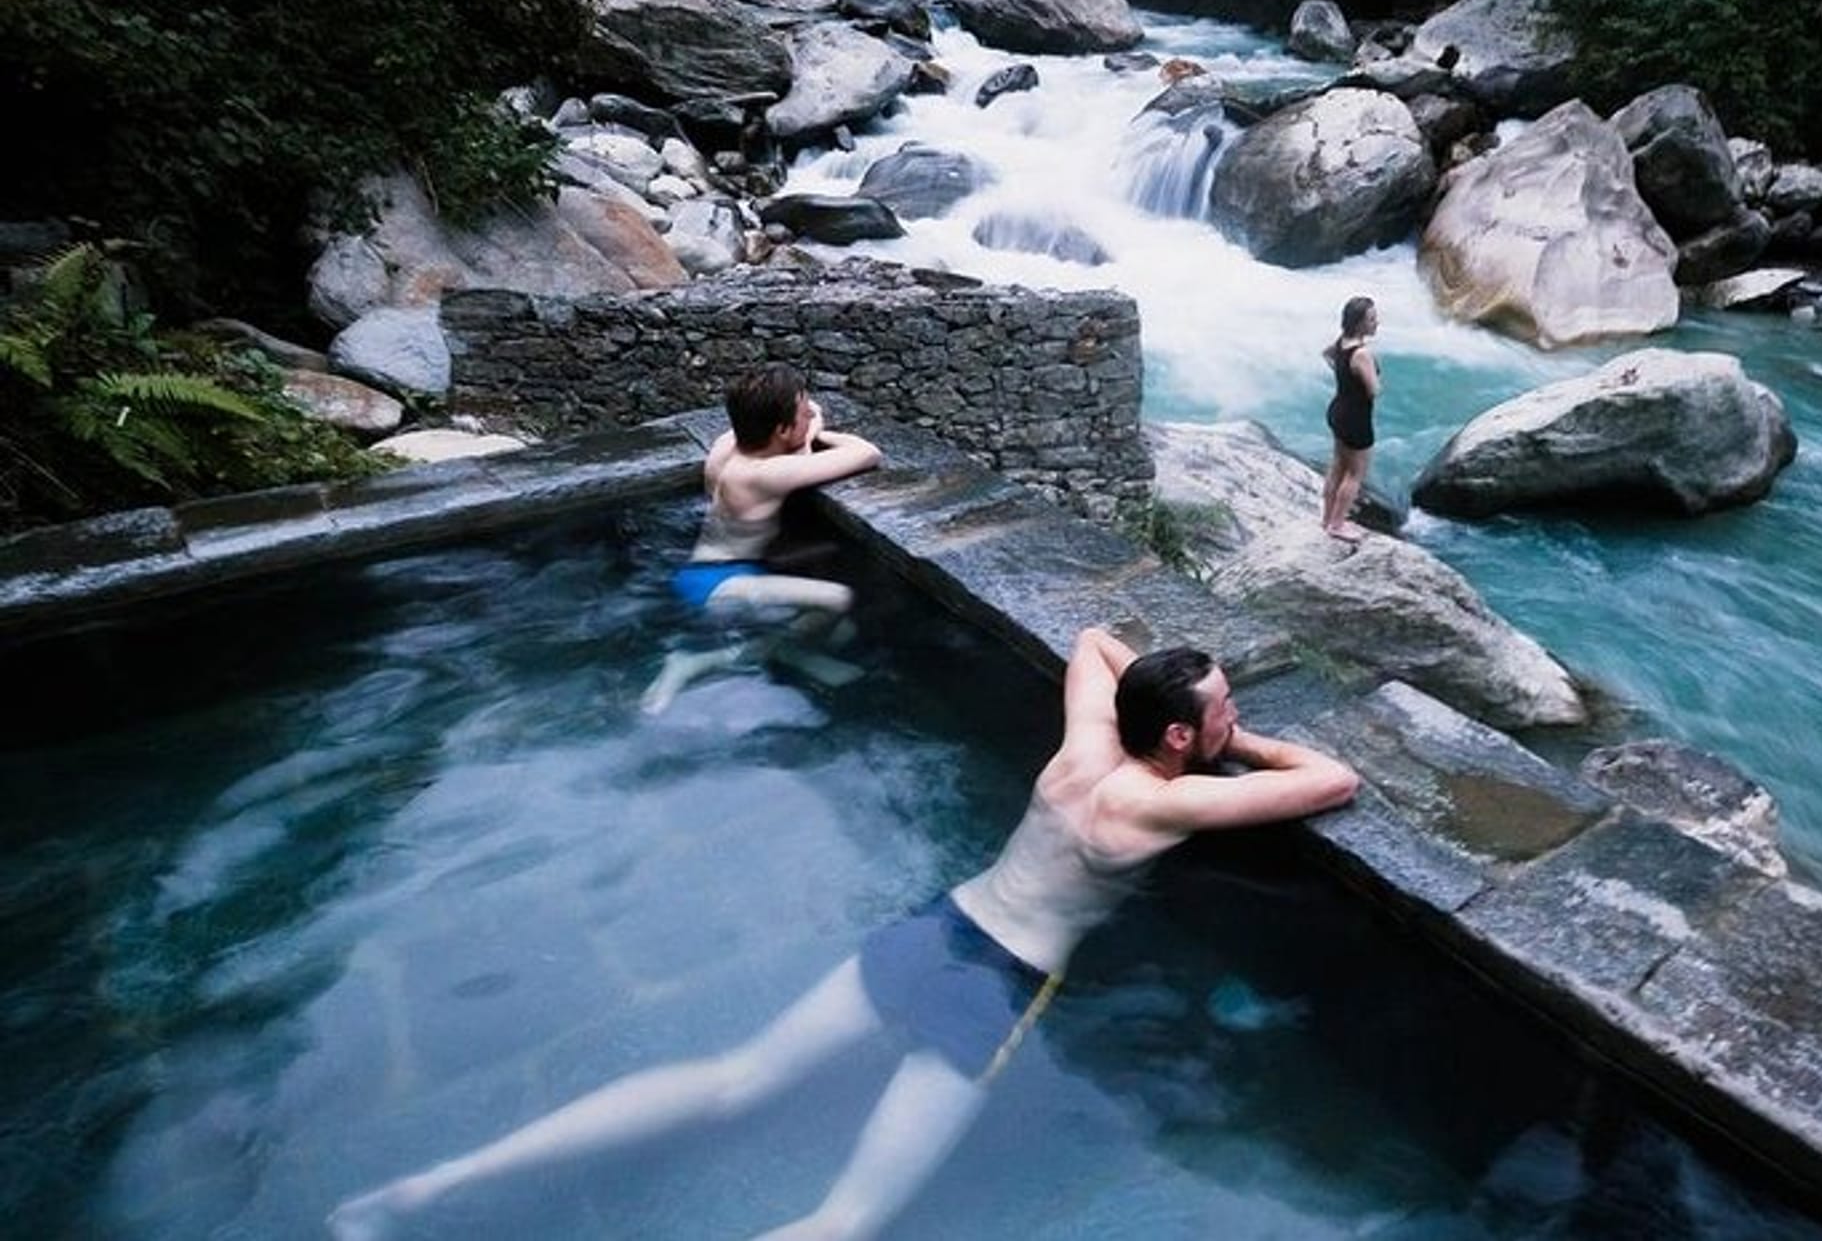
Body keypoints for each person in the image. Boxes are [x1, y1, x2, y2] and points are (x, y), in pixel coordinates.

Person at [328, 629, 1359, 1241]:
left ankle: (430, 1186)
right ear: (1179, 735)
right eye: (1222, 707)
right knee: (846, 1222)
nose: (1234, 715)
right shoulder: (1163, 800)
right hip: (992, 988)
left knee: (735, 1076)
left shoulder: (1083, 747)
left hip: (934, 929)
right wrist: (1241, 742)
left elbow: (1092, 638)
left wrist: (1165, 697)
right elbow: (1333, 779)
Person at [641, 364, 882, 713]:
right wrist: (815, 433)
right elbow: (867, 452)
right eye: (802, 414)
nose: (810, 415)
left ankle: (784, 650)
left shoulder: (727, 446)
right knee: (837, 599)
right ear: (781, 429)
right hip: (718, 583)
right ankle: (698, 661)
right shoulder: (764, 475)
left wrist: (802, 428)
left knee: (843, 630)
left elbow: (798, 435)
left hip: (713, 569)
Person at [1321, 295, 1381, 543]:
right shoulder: (1362, 353)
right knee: (1355, 474)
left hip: (1338, 411)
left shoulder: (1341, 343)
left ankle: (1327, 519)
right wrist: (1373, 374)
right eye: (1372, 319)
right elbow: (1374, 390)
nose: (1377, 323)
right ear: (1359, 323)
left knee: (1337, 466)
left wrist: (1343, 374)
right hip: (1356, 419)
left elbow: (1326, 355)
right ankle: (1337, 525)